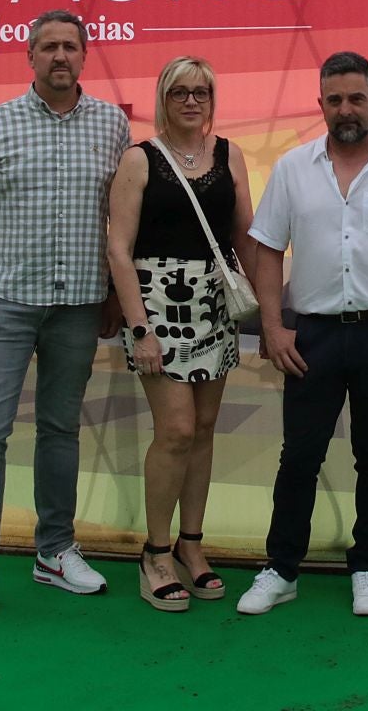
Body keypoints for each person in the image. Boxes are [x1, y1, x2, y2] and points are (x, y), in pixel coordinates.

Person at [0, 10, 133, 627]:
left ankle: (54, 552)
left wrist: (117, 300)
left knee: (60, 432)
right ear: (30, 56)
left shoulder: (112, 125)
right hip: (4, 303)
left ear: (86, 55)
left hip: (78, 307)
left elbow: (119, 221)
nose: (60, 56)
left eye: (71, 46)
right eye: (49, 46)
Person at [235, 51, 368, 618]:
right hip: (311, 337)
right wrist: (275, 325)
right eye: (334, 99)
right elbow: (265, 250)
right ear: (321, 105)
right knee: (299, 456)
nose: (345, 109)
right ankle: (282, 568)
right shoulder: (291, 170)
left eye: (357, 98)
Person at [106, 56, 256, 610]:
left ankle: (193, 546)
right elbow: (119, 248)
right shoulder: (139, 160)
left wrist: (269, 314)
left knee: (205, 428)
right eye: (179, 92)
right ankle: (156, 551)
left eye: (201, 92)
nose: (191, 101)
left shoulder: (230, 156)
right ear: (163, 98)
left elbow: (246, 237)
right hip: (157, 310)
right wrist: (139, 327)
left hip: (214, 305)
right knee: (175, 429)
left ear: (212, 99)